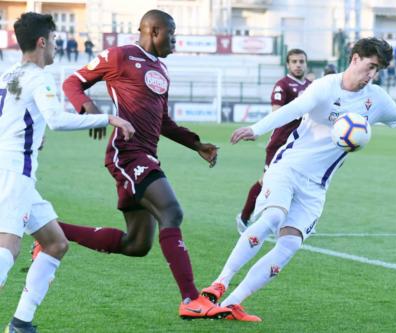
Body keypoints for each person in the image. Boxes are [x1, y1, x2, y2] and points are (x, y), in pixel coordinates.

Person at [201, 37, 396, 321]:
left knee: (290, 244)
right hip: (287, 169)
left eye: (377, 70)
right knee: (271, 219)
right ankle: (219, 284)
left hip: (316, 187)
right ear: (355, 58)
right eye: (370, 66)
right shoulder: (325, 86)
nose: (372, 75)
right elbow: (293, 109)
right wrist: (256, 129)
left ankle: (233, 304)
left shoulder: (376, 99)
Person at [56, 9, 230, 320]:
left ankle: (51, 232)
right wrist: (89, 106)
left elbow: (162, 121)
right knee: (171, 212)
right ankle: (191, 299)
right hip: (126, 153)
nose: (175, 41)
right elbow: (73, 81)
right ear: (154, 31)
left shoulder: (161, 69)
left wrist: (196, 144)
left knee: (136, 244)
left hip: (146, 154)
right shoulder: (120, 55)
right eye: (172, 34)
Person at [0, 12, 135, 333]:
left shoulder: (9, 75)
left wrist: (30, 137)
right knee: (9, 247)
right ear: (42, 41)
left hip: (14, 170)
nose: (58, 47)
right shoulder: (36, 76)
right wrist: (108, 119)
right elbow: (58, 120)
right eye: (56, 40)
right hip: (14, 172)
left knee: (55, 243)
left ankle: (21, 323)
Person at [235, 49, 311, 234]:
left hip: (302, 144)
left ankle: (295, 222)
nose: (298, 65)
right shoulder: (282, 85)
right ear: (288, 64)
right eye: (294, 61)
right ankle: (244, 217)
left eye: (301, 61)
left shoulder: (311, 86)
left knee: (301, 182)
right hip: (281, 143)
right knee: (266, 181)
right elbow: (276, 113)